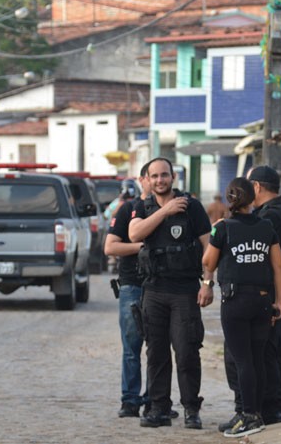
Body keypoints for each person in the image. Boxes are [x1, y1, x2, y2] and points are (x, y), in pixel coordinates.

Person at [128, 157, 213, 429]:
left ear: (173, 177)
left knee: (187, 351)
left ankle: (191, 408)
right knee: (156, 353)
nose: (160, 180)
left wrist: (208, 283)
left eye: (164, 175)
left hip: (185, 290)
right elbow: (134, 234)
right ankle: (159, 408)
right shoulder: (143, 207)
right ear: (148, 180)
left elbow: (209, 248)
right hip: (154, 290)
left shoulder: (192, 207)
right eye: (154, 176)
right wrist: (164, 212)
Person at [219, 165, 281, 430]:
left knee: (252, 356)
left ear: (256, 187)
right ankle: (270, 409)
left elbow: (268, 261)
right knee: (276, 352)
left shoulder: (264, 219)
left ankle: (253, 410)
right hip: (279, 293)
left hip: (260, 296)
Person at [202, 177, 281, 438]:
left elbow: (209, 262)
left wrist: (215, 232)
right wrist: (279, 301)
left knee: (243, 360)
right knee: (257, 357)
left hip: (235, 302)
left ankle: (249, 415)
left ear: (230, 200)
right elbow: (278, 267)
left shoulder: (223, 228)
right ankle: (253, 413)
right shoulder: (266, 226)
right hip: (262, 301)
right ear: (252, 199)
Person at [104, 165, 152, 418]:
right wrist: (141, 247)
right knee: (132, 347)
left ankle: (156, 400)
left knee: (159, 348)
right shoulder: (126, 209)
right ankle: (130, 400)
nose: (155, 181)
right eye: (150, 177)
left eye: (162, 175)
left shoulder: (174, 209)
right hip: (132, 286)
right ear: (142, 180)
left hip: (163, 287)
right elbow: (110, 247)